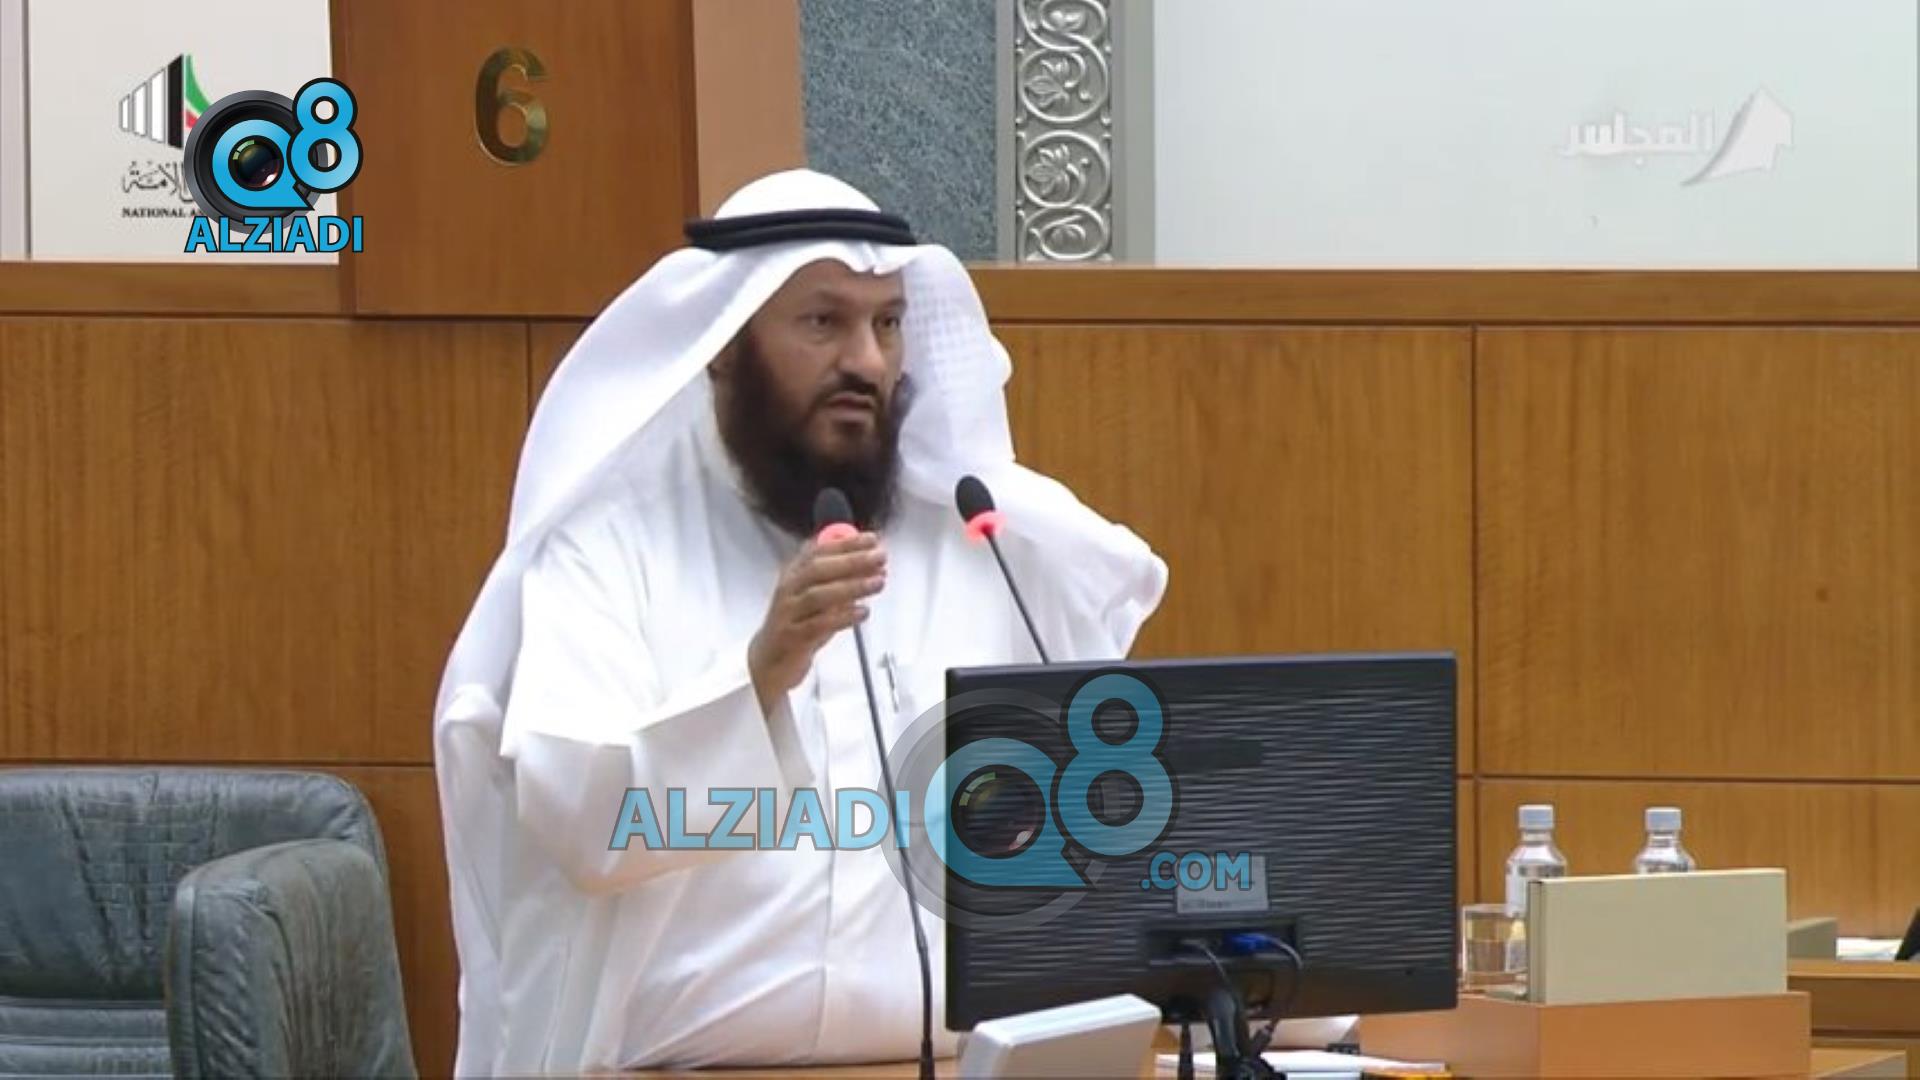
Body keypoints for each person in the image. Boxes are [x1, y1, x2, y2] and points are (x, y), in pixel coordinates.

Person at [431, 169, 1167, 1076]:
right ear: (723, 344)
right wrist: (759, 676)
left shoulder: (984, 542)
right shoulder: (612, 546)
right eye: (824, 322)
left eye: (887, 324)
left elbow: (1088, 829)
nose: (867, 362)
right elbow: (583, 826)